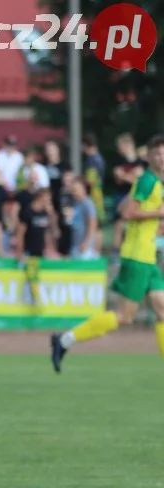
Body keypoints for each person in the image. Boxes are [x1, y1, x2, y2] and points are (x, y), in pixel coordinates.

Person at [51, 136, 164, 372]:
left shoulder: (150, 181)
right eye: (158, 153)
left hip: (147, 254)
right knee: (124, 316)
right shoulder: (148, 181)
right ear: (150, 156)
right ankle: (64, 340)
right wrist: (158, 212)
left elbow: (124, 206)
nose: (162, 157)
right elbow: (130, 214)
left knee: (162, 308)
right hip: (137, 256)